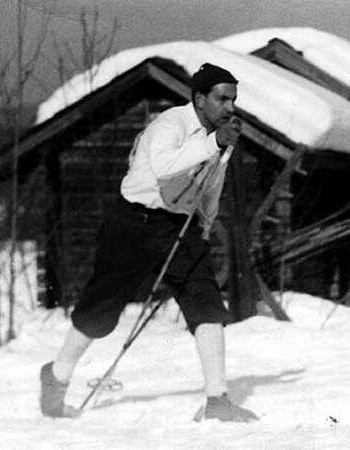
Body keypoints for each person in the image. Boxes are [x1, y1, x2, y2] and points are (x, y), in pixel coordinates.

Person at [39, 63, 259, 422]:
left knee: (205, 303)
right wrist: (213, 143)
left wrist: (204, 225)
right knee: (101, 310)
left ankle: (217, 400)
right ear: (200, 99)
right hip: (133, 222)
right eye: (223, 99)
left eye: (233, 100)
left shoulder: (219, 137)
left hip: (179, 226)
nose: (230, 107)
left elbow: (210, 185)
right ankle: (57, 375)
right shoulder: (169, 125)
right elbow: (164, 167)